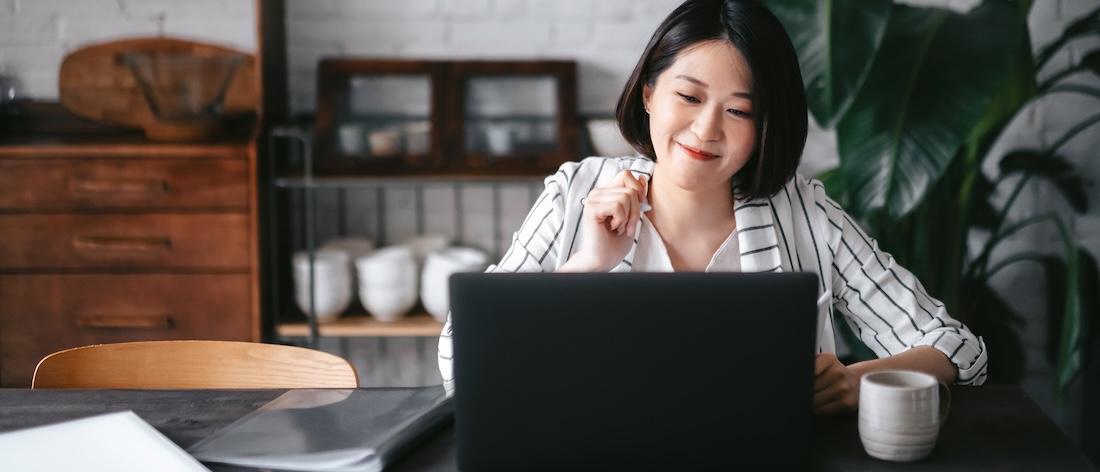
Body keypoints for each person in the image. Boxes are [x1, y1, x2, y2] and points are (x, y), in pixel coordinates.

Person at [438, 0, 987, 413]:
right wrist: (586, 267)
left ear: (765, 127)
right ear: (649, 93)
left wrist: (855, 379)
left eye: (740, 111)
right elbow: (462, 361)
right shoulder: (574, 195)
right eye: (690, 97)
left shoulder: (804, 214)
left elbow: (957, 348)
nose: (706, 130)